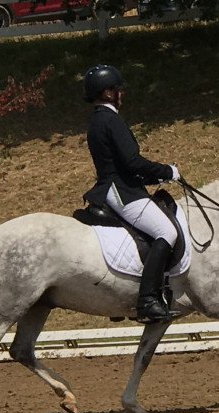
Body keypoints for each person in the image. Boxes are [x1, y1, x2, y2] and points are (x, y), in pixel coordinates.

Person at [82, 64, 181, 324]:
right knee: (167, 232)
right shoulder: (111, 120)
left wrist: (154, 175)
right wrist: (167, 171)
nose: (121, 94)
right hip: (122, 190)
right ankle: (147, 299)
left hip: (114, 186)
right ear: (106, 93)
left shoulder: (97, 120)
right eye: (117, 90)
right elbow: (132, 162)